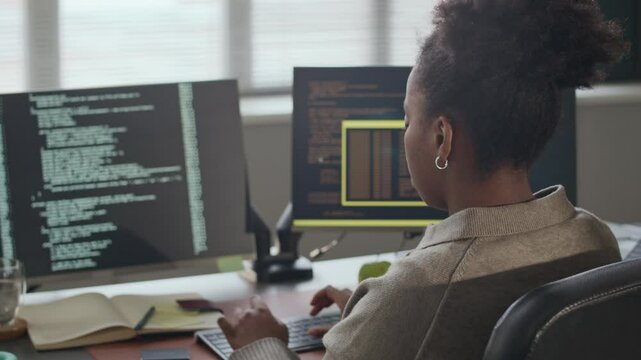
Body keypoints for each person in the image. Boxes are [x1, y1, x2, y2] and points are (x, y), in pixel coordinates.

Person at [218, 0, 628, 359]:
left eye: (407, 118)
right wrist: (372, 321)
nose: (404, 133)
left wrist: (261, 343)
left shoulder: (415, 289)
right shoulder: (596, 240)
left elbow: (436, 305)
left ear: (442, 137)